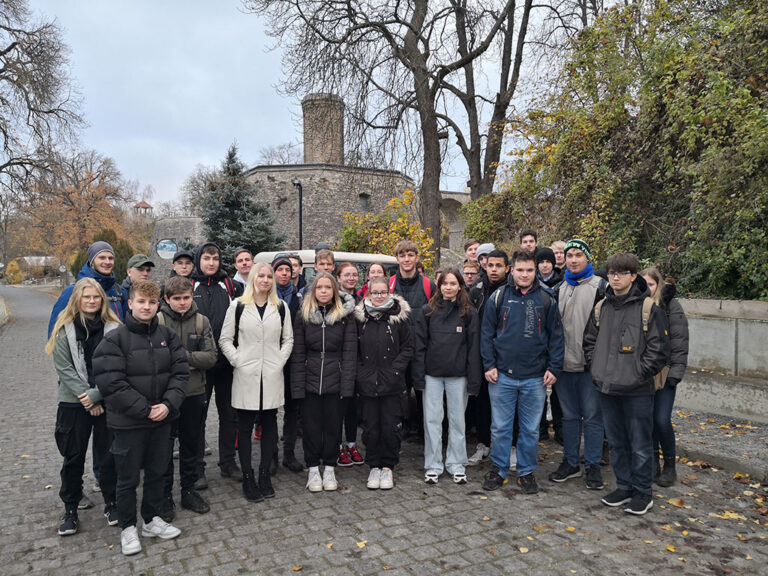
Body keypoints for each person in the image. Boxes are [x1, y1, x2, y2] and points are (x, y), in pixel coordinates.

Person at [93, 280, 188, 556]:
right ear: (130, 303)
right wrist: (145, 409)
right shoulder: (114, 340)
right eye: (141, 302)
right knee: (127, 478)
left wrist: (167, 405)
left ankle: (151, 519)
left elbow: (180, 374)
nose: (147, 307)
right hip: (129, 423)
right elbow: (112, 383)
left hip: (162, 420)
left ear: (159, 304)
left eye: (152, 302)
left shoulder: (168, 336)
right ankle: (127, 527)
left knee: (158, 472)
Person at [583, 253, 669, 515]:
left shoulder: (648, 309)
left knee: (640, 443)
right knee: (618, 442)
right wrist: (597, 370)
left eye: (621, 273)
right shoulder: (602, 307)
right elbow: (589, 342)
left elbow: (659, 350)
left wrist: (637, 374)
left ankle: (643, 492)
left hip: (637, 391)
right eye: (611, 273)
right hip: (607, 388)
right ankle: (624, 486)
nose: (615, 277)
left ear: (634, 276)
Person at [480, 250, 564, 494]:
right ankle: (499, 469)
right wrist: (489, 364)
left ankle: (526, 471)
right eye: (520, 270)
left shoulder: (547, 299)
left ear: (535, 271)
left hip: (535, 378)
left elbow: (557, 338)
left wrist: (554, 367)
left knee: (529, 429)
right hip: (502, 376)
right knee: (500, 427)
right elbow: (487, 335)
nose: (524, 274)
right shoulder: (498, 297)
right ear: (511, 271)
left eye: (529, 270)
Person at [46, 278, 121, 536]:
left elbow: (118, 367)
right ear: (77, 299)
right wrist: (87, 398)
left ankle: (111, 503)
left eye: (96, 297)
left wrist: (97, 395)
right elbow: (64, 369)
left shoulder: (115, 329)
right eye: (87, 297)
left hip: (106, 399)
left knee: (109, 454)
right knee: (73, 456)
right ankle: (70, 508)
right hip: (73, 402)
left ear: (103, 299)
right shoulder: (64, 329)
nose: (91, 301)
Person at [219, 262, 294, 502]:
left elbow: (288, 339)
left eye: (269, 276)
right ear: (252, 278)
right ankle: (248, 476)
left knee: (270, 422)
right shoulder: (238, 306)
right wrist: (237, 360)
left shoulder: (280, 307)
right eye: (260, 275)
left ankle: (264, 474)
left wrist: (279, 361)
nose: (265, 280)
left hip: (271, 374)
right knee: (245, 424)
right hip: (246, 374)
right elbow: (225, 339)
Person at [413, 268, 481, 485]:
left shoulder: (469, 313)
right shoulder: (427, 311)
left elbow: (473, 349)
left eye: (453, 283)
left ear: (460, 285)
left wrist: (473, 380)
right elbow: (420, 347)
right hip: (432, 375)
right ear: (439, 285)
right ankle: (433, 465)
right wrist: (419, 378)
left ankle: (456, 464)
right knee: (432, 421)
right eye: (445, 283)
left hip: (458, 376)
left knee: (457, 421)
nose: (448, 287)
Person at [549, 239, 607, 490]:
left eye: (578, 255)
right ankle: (571, 462)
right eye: (569, 255)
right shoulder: (559, 288)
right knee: (570, 417)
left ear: (587, 258)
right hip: (564, 366)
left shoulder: (601, 287)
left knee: (593, 418)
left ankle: (593, 465)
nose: (573, 259)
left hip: (590, 367)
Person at [158, 276, 217, 517]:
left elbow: (211, 357)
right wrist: (189, 360)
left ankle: (189, 490)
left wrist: (181, 359)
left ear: (192, 296)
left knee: (191, 446)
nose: (182, 303)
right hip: (165, 395)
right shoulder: (158, 321)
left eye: (186, 298)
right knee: (163, 448)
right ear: (167, 299)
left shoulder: (201, 321)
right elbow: (155, 360)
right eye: (177, 299)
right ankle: (164, 495)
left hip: (194, 393)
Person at [291, 272, 357, 492]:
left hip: (336, 379)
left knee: (332, 427)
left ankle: (329, 467)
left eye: (328, 288)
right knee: (310, 427)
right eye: (320, 287)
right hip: (310, 379)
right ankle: (312, 469)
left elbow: (350, 353)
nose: (324, 291)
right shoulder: (303, 316)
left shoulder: (344, 317)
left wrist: (346, 386)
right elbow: (298, 353)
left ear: (334, 291)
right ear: (313, 291)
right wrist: (298, 386)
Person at [191, 242, 243, 488]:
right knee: (198, 418)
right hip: (199, 366)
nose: (211, 263)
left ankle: (228, 463)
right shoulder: (191, 285)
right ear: (198, 260)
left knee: (229, 416)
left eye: (215, 258)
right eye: (206, 258)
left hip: (227, 364)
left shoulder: (232, 286)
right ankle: (197, 468)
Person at [354, 277, 413, 489]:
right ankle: (373, 466)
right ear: (368, 293)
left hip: (392, 383)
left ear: (388, 292)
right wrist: (362, 373)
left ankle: (388, 467)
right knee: (371, 427)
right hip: (368, 383)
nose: (379, 297)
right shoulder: (360, 319)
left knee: (390, 427)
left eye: (382, 292)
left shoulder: (399, 318)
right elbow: (354, 351)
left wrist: (394, 371)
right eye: (375, 293)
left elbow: (407, 348)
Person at [642, 267, 689, 487]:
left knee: (661, 419)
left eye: (651, 284)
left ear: (658, 284)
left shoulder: (670, 306)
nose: (647, 289)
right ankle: (652, 462)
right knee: (648, 419)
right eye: (644, 284)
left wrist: (676, 373)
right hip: (644, 373)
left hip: (666, 372)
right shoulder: (639, 305)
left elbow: (680, 342)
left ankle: (670, 464)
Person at [389, 240, 436, 440]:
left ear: (417, 258)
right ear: (397, 258)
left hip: (422, 350)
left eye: (410, 255)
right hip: (396, 350)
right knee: (398, 392)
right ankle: (399, 430)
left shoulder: (428, 285)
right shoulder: (389, 284)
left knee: (424, 393)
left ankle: (426, 433)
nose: (406, 259)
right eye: (402, 255)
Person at [468, 249, 509, 467]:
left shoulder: (512, 290)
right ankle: (482, 443)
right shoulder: (477, 289)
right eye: (490, 265)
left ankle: (507, 446)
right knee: (482, 402)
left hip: (505, 355)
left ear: (506, 268)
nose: (493, 269)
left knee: (505, 404)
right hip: (481, 354)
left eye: (498, 265)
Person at [49, 241, 126, 336]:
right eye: (102, 257)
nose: (107, 262)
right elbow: (56, 330)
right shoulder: (72, 292)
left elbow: (126, 327)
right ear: (92, 261)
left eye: (110, 258)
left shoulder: (119, 292)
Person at [272, 256, 304, 473]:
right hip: (273, 360)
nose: (284, 273)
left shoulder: (299, 297)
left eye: (287, 269)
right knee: (271, 410)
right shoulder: (267, 296)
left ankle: (289, 454)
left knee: (293, 410)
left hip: (294, 360)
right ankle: (271, 455)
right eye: (280, 269)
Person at [336, 262, 365, 467]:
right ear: (339, 278)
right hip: (338, 360)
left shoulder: (361, 301)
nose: (351, 278)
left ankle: (352, 443)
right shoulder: (333, 299)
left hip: (358, 358)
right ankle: (338, 446)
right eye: (347, 275)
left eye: (354, 275)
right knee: (338, 407)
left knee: (353, 407)